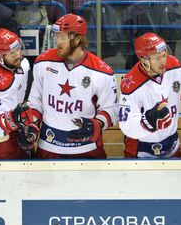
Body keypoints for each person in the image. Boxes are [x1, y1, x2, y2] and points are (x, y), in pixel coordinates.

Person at [28, 14, 119, 158]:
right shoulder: (43, 62)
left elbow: (111, 110)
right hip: (48, 146)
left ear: (77, 40)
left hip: (87, 148)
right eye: (57, 36)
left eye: (63, 38)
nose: (57, 42)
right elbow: (35, 102)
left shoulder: (102, 72)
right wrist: (32, 126)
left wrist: (97, 124)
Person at [118, 33, 181, 158]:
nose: (163, 62)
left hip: (171, 144)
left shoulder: (173, 65)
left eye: (164, 55)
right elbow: (126, 125)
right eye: (157, 58)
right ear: (144, 59)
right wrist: (148, 121)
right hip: (140, 149)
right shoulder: (130, 84)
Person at [0, 28, 35, 159]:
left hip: (17, 132)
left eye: (18, 49)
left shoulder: (22, 63)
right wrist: (14, 118)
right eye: (12, 52)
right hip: (0, 143)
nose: (18, 55)